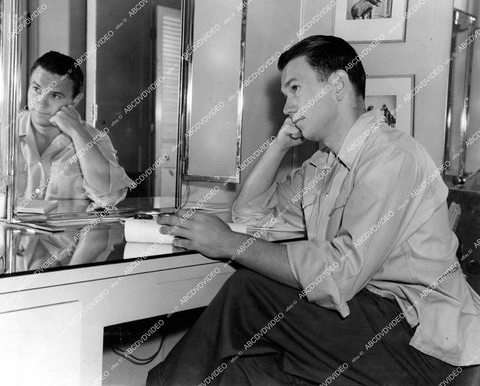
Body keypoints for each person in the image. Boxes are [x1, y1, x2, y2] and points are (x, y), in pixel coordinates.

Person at [148, 35, 480, 385]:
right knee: (241, 373)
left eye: (295, 89)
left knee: (249, 290)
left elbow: (339, 275)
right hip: (367, 319)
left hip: (421, 342)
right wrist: (278, 147)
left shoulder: (392, 157)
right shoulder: (325, 165)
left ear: (336, 84)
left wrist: (230, 244)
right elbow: (251, 218)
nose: (287, 107)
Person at [15, 51, 133, 211]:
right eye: (36, 88)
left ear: (75, 100)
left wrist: (77, 131)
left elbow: (109, 198)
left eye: (55, 95)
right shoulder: (6, 131)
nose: (40, 103)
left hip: (68, 235)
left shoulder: (94, 138)